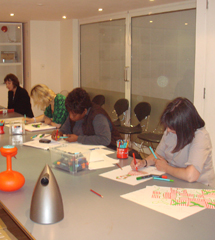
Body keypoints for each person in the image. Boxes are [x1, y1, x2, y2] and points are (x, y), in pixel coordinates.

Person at [131, 97, 215, 188]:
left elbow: (191, 176)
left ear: (184, 124)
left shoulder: (200, 137)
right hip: (175, 181)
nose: (168, 130)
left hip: (199, 188)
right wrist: (144, 162)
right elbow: (159, 154)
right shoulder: (171, 130)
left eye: (172, 127)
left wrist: (166, 168)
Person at [51, 88, 122, 149]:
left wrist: (78, 139)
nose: (70, 117)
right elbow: (66, 128)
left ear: (84, 111)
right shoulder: (75, 110)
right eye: (69, 112)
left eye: (74, 114)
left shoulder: (98, 116)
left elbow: (105, 140)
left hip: (110, 150)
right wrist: (60, 132)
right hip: (85, 149)